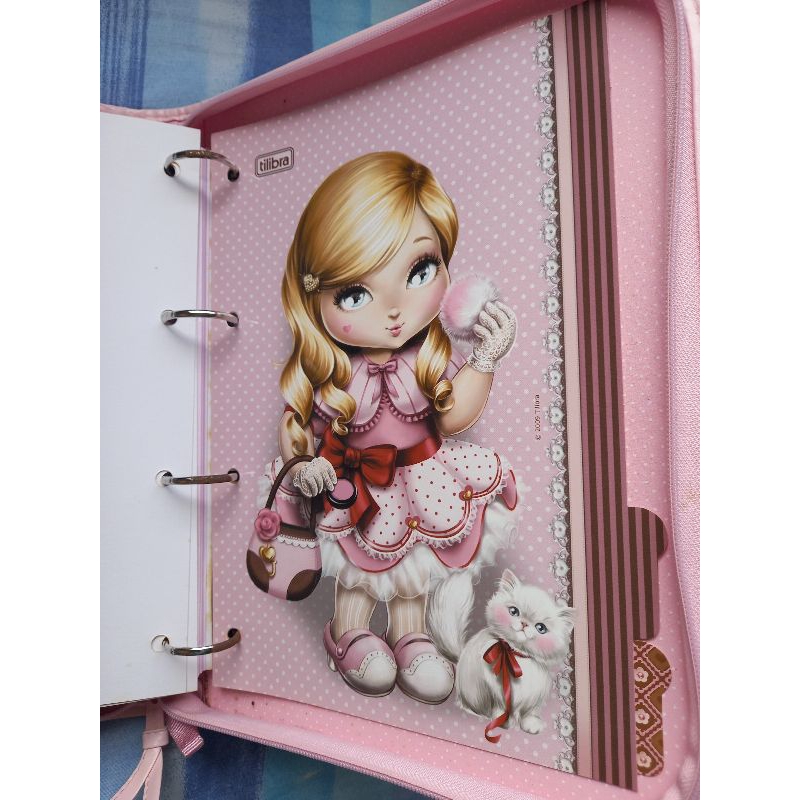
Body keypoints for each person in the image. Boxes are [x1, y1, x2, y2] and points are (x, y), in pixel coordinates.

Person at [265, 151, 518, 704]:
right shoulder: (337, 372)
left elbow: (452, 416)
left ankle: (411, 637)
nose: (395, 310)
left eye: (419, 271)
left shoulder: (426, 359)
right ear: (315, 297)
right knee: (360, 569)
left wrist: (485, 359)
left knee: (413, 566)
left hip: (422, 476)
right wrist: (304, 464)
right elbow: (301, 424)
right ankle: (349, 632)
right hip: (357, 482)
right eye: (355, 294)